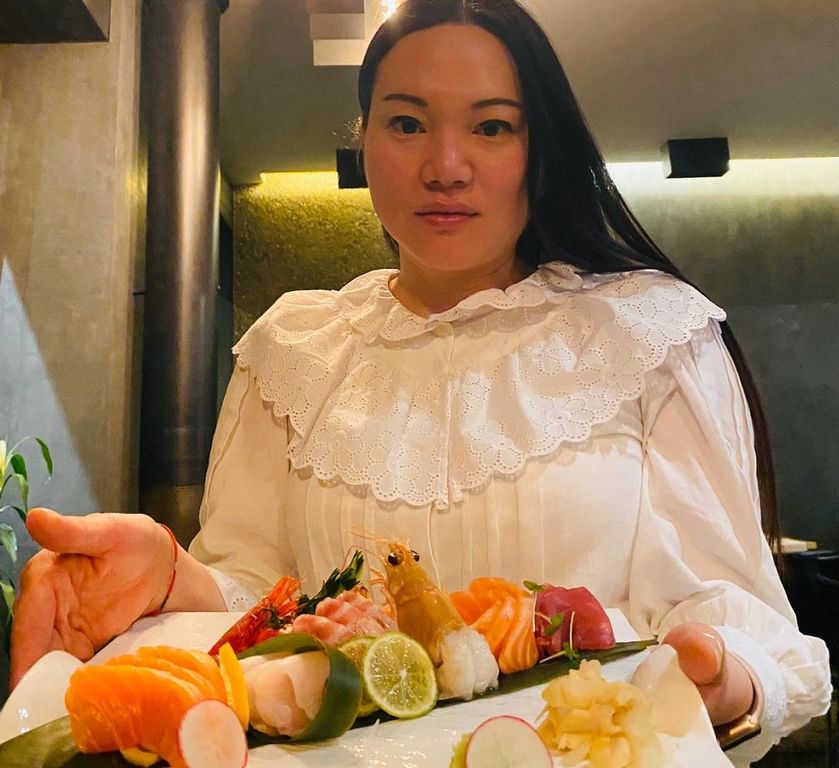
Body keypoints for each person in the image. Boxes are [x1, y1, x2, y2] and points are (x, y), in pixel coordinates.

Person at [11, 0, 830, 764]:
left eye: (491, 127)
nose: (445, 166)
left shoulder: (648, 331)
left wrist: (725, 679)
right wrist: (167, 580)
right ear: (363, 139)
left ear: (539, 151)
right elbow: (256, 598)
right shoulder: (296, 345)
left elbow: (727, 609)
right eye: (406, 123)